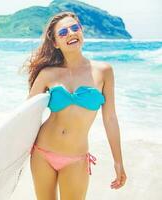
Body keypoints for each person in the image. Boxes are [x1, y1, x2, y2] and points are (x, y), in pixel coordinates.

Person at [23, 11, 127, 200]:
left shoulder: (104, 71)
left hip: (76, 158)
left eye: (75, 28)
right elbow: (26, 114)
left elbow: (110, 118)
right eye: (63, 32)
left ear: (81, 32)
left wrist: (118, 161)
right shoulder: (48, 73)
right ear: (55, 43)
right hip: (42, 153)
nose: (71, 33)